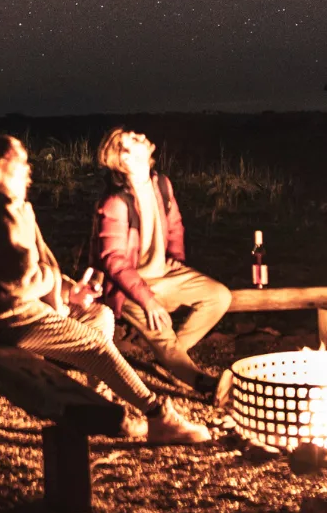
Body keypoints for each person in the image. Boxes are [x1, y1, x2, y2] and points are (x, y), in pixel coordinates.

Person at [0, 134, 211, 444]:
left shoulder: (15, 207)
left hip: (23, 308)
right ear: (0, 168)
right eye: (21, 161)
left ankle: (105, 404)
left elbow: (34, 273)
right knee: (95, 345)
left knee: (100, 316)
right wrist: (58, 286)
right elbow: (20, 280)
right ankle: (159, 416)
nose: (29, 167)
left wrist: (70, 292)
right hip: (9, 319)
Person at [91, 127, 233, 389]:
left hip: (165, 275)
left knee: (219, 296)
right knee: (162, 335)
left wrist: (176, 256)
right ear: (125, 159)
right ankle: (204, 384)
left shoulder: (162, 185)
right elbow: (114, 261)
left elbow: (175, 224)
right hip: (130, 287)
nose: (140, 136)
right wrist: (148, 300)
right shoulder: (116, 203)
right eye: (132, 139)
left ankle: (169, 360)